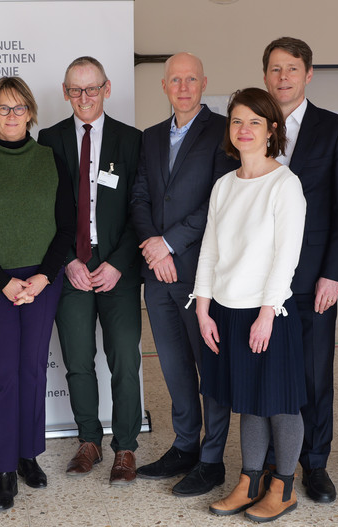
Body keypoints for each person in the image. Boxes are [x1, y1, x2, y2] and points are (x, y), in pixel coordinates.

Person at [0, 76, 75, 511]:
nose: (11, 115)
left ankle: (27, 456)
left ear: (31, 113)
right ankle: (4, 470)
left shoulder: (50, 160)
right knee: (3, 377)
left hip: (43, 280)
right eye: (3, 108)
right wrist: (3, 282)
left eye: (19, 107)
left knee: (32, 371)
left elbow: (66, 227)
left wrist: (42, 277)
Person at [193, 87, 306, 523]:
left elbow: (286, 257)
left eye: (255, 122)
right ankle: (249, 481)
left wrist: (265, 314)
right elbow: (209, 251)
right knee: (249, 400)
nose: (244, 129)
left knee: (279, 403)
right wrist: (202, 308)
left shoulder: (285, 184)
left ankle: (284, 488)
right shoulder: (224, 185)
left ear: (272, 130)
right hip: (224, 309)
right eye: (237, 121)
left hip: (268, 313)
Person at [130, 52, 238, 497]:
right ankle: (184, 445)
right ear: (164, 86)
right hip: (157, 274)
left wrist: (169, 242)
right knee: (174, 366)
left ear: (203, 81)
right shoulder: (151, 137)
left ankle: (212, 459)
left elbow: (219, 202)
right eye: (175, 80)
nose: (184, 87)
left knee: (207, 365)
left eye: (192, 79)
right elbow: (138, 196)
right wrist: (155, 248)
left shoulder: (224, 132)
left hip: (200, 272)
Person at [261, 37, 338, 503]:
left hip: (313, 276)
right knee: (262, 369)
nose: (283, 77)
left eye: (292, 68)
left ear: (308, 74)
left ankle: (315, 463)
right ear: (266, 76)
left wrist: (334, 273)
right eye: (276, 69)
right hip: (257, 280)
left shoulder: (337, 129)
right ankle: (265, 463)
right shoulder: (249, 126)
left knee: (315, 373)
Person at [37, 56, 143, 485]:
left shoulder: (132, 141)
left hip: (118, 264)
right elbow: (43, 210)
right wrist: (67, 261)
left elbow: (143, 209)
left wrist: (118, 263)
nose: (84, 98)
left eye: (92, 89)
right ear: (65, 92)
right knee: (78, 359)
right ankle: (89, 440)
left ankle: (127, 447)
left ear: (107, 88)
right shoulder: (48, 140)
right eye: (75, 90)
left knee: (123, 358)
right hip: (72, 264)